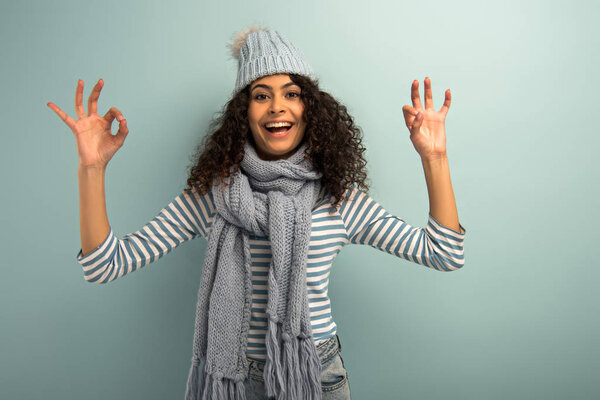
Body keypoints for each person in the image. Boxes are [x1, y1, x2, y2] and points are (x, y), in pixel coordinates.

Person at [47, 26, 466, 400]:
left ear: (311, 109)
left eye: (291, 94)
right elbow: (104, 265)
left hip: (314, 376)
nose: (276, 107)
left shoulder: (338, 198)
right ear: (242, 114)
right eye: (260, 95)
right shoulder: (213, 198)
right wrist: (92, 168)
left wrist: (435, 157)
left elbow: (444, 253)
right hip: (232, 380)